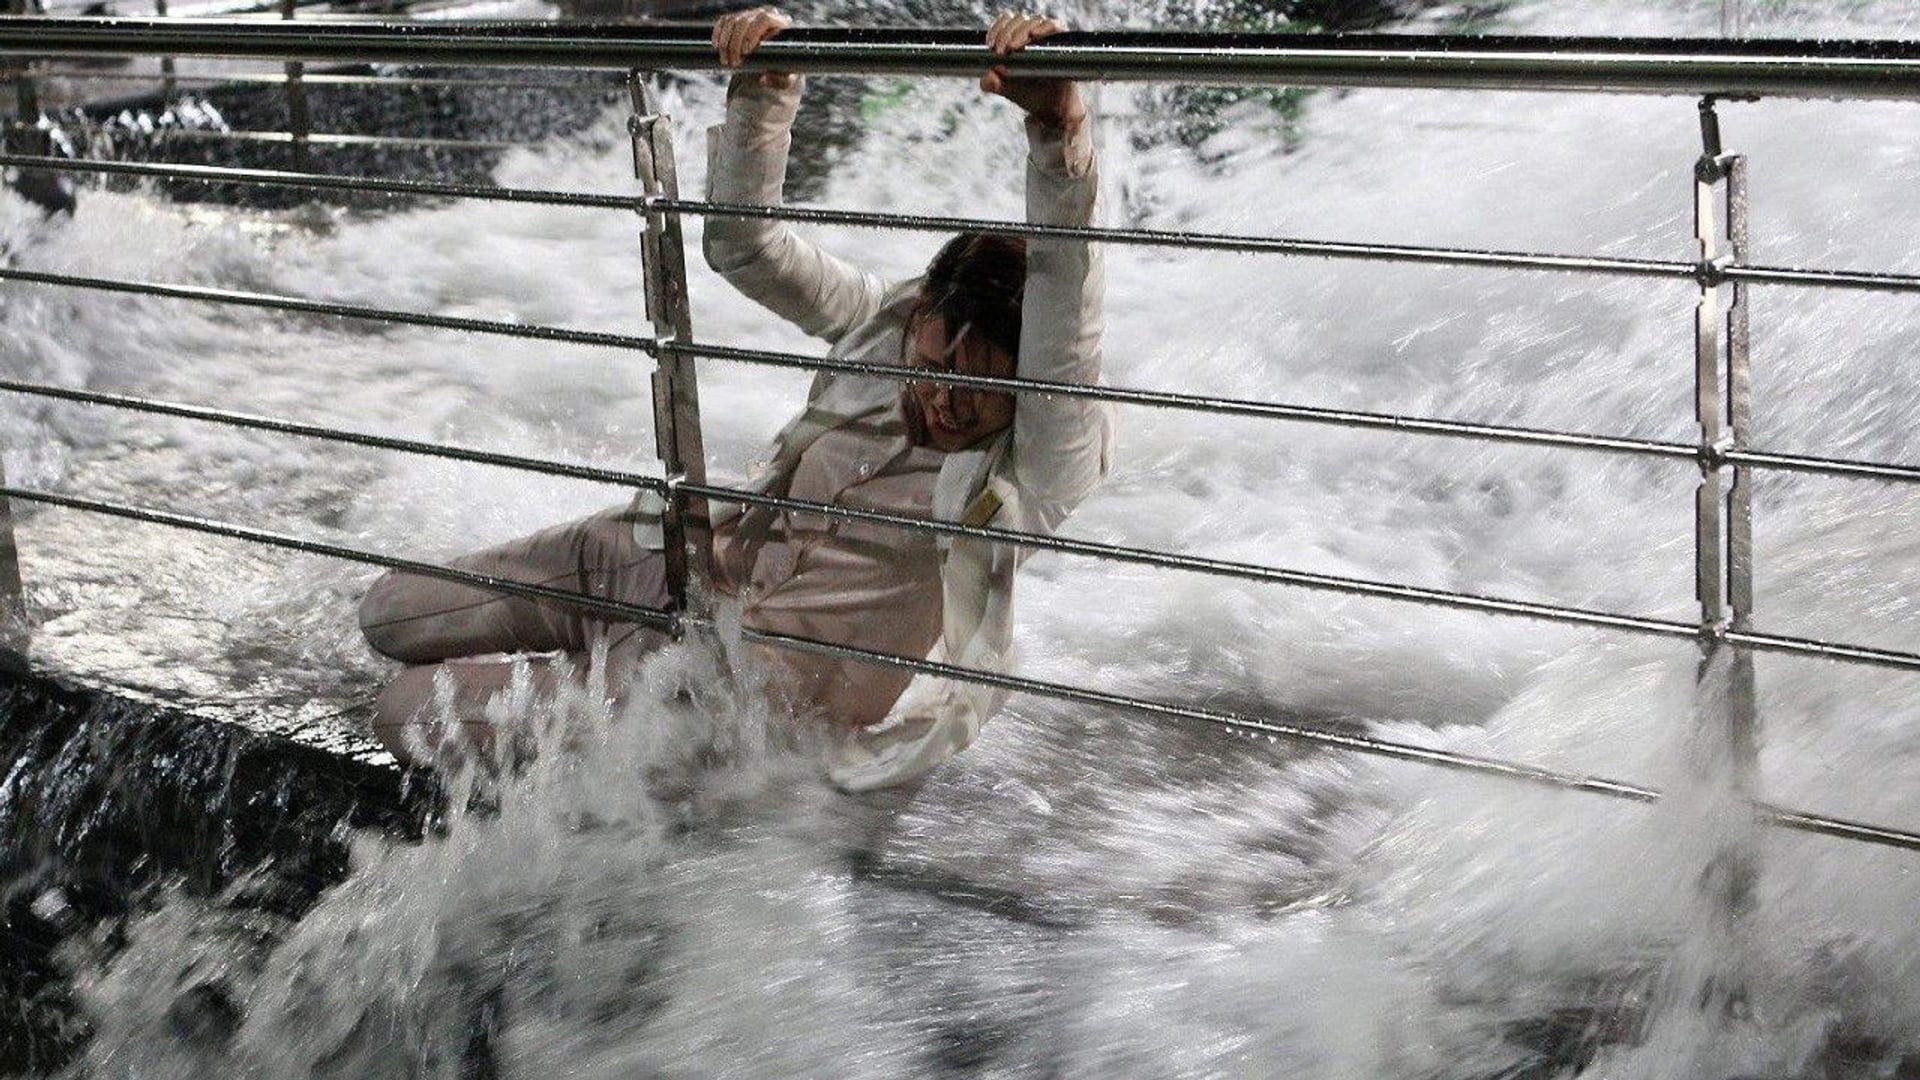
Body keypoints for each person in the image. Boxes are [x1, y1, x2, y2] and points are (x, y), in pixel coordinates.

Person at [358, 7, 1109, 792]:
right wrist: (767, 89)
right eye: (933, 366)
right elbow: (744, 247)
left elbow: (1068, 328)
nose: (946, 402)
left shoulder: (1042, 463)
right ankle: (578, 660)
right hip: (665, 561)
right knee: (389, 612)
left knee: (401, 711)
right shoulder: (882, 324)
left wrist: (1059, 131)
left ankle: (582, 684)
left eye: (979, 390)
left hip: (717, 690)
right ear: (919, 319)